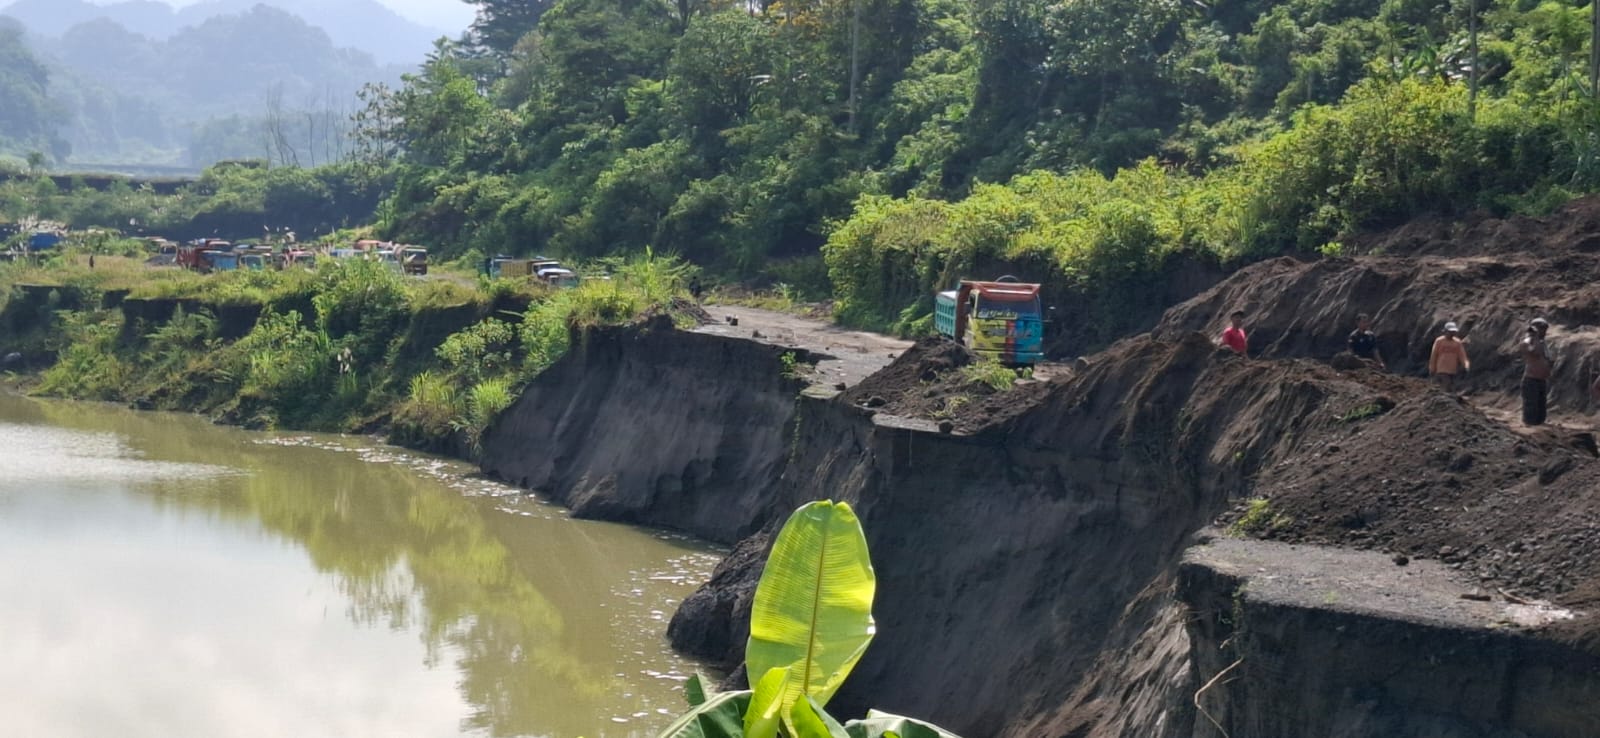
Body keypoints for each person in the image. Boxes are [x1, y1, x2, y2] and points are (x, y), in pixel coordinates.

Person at [1521, 317, 1553, 426]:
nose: (1544, 331)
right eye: (1542, 329)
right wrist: (1534, 336)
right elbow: (1533, 351)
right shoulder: (1529, 341)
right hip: (1531, 380)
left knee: (1541, 410)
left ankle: (1540, 426)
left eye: (1545, 329)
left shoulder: (1542, 343)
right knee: (1531, 409)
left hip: (1541, 381)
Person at [1428, 321, 1470, 392]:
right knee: (1446, 385)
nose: (1451, 333)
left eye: (1453, 332)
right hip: (1442, 369)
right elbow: (1434, 355)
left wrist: (1466, 365)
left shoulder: (1457, 343)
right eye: (1450, 332)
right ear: (1445, 331)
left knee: (1451, 388)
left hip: (1453, 370)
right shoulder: (1439, 341)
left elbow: (1462, 356)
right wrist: (1432, 369)